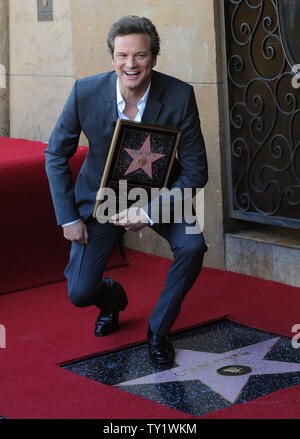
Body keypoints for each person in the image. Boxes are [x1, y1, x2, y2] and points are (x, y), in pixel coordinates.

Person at [45, 15, 208, 366]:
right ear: (112, 56)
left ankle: (158, 331)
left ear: (154, 56)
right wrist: (68, 216)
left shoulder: (180, 94)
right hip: (101, 198)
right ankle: (112, 298)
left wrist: (149, 211)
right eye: (122, 56)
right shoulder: (84, 92)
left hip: (163, 195)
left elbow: (196, 172)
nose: (130, 64)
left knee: (194, 245)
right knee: (79, 292)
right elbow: (55, 153)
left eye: (140, 56)